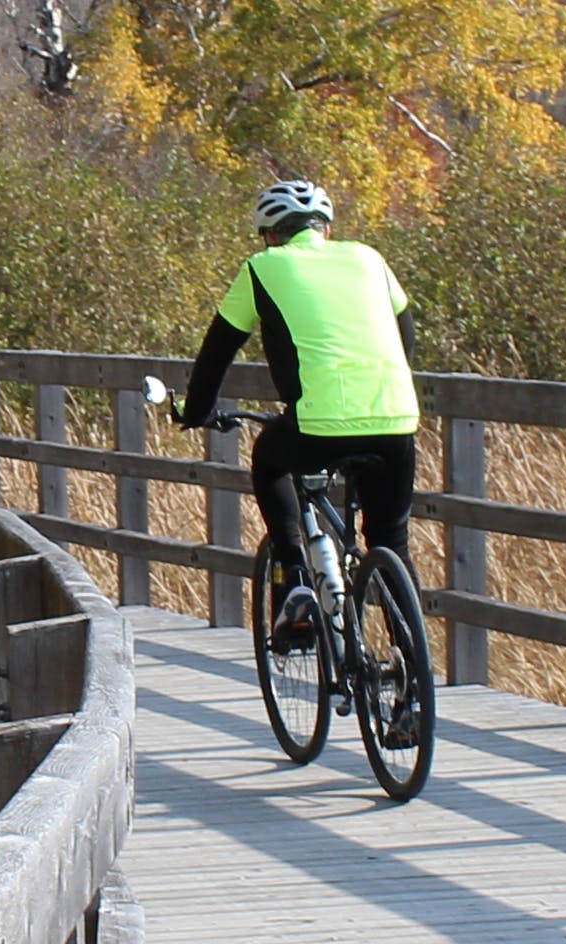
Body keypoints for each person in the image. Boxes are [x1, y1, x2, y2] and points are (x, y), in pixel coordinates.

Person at [171, 180, 421, 653]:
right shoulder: (369, 258)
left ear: (269, 235)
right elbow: (405, 336)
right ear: (325, 229)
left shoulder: (263, 267)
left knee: (269, 461)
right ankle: (411, 678)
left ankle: (296, 583)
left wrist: (196, 412)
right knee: (391, 541)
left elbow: (218, 351)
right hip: (396, 416)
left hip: (317, 423)